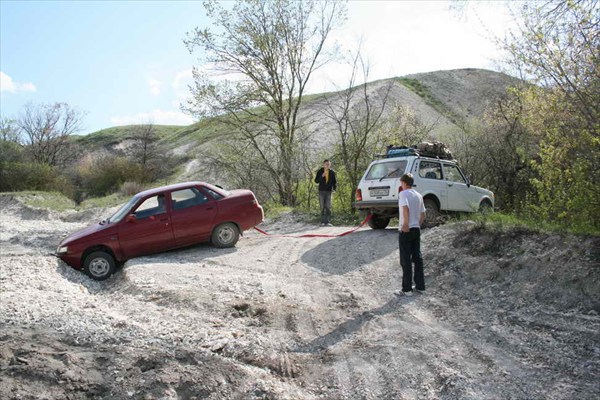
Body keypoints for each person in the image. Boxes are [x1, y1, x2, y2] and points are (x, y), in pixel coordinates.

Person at [396, 173, 426, 296]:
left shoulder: (403, 194)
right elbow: (423, 214)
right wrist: (417, 224)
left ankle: (407, 289)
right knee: (417, 257)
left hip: (406, 229)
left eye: (401, 183)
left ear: (404, 182)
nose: (400, 185)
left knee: (405, 259)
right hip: (416, 229)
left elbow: (405, 209)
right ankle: (420, 286)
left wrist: (406, 224)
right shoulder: (419, 195)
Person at [314, 159, 337, 226]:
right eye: (326, 164)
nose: (327, 165)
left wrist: (334, 189)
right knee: (322, 207)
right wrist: (322, 176)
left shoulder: (332, 172)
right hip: (321, 191)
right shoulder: (320, 171)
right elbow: (316, 181)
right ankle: (322, 221)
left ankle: (327, 222)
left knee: (328, 207)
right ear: (323, 164)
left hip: (329, 191)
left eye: (329, 164)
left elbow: (334, 182)